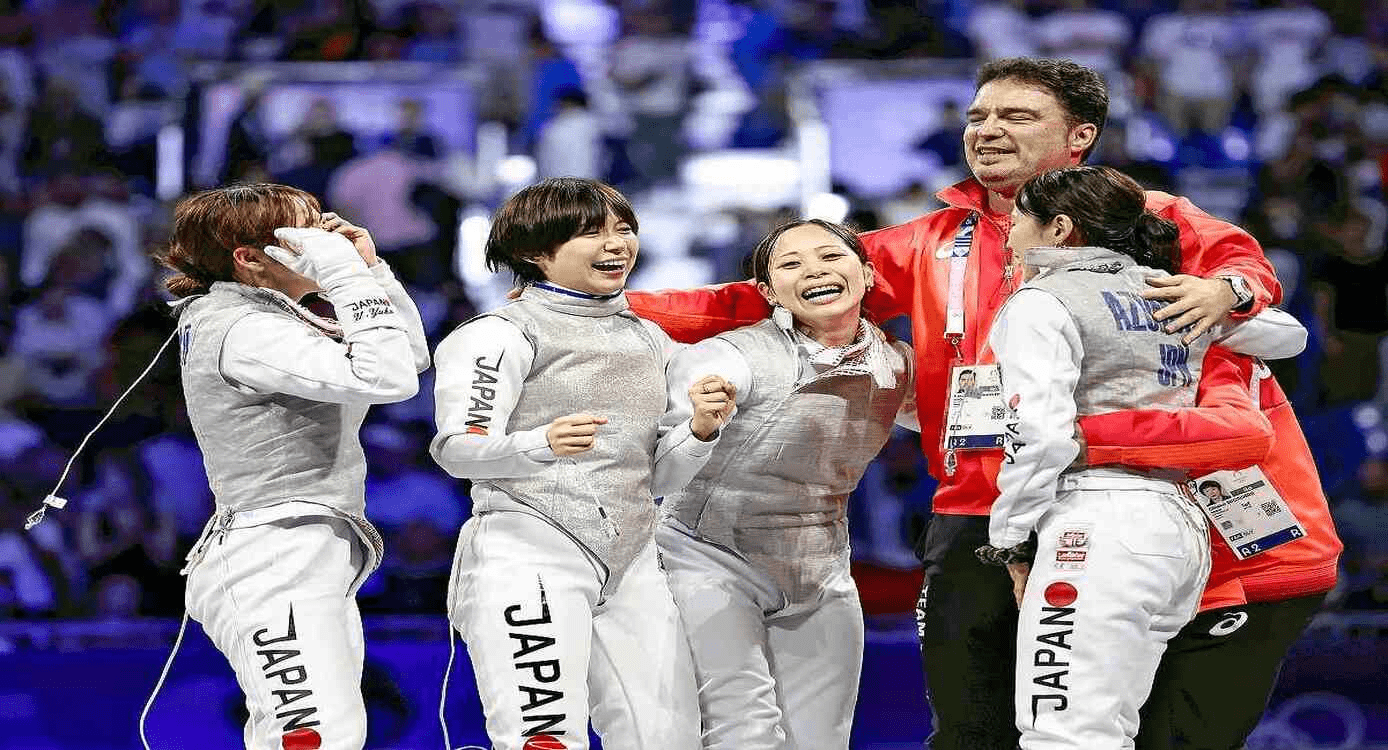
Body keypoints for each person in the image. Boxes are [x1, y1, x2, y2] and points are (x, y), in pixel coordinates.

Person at [624, 57, 1298, 750]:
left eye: (1017, 116)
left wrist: (1230, 291)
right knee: (971, 731)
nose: (988, 130)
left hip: (1113, 500)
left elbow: (1248, 274)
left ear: (1080, 137)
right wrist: (610, 304)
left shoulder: (1140, 217)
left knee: (1103, 729)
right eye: (978, 117)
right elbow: (754, 298)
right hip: (976, 509)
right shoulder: (932, 239)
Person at [979, 165, 1260, 748]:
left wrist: (1009, 540)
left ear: (1059, 229)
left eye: (1018, 219)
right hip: (1179, 529)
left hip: (1094, 525)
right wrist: (1231, 292)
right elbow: (1286, 335)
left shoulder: (1043, 301)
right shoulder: (1172, 288)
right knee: (1115, 732)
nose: (1006, 232)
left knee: (1065, 736)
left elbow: (1038, 434)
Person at [430, 177, 708, 749]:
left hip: (633, 557)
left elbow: (661, 477)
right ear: (536, 251)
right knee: (544, 739)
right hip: (529, 549)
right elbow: (456, 449)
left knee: (667, 739)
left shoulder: (653, 340)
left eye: (623, 230)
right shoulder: (498, 334)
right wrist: (539, 443)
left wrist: (701, 432)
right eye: (591, 233)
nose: (616, 244)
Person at [159, 183, 430, 750]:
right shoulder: (242, 329)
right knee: (312, 737)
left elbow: (405, 358)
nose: (325, 239)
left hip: (300, 550)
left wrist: (372, 272)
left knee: (319, 735)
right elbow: (389, 379)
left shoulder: (268, 315)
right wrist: (342, 275)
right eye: (305, 233)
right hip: (270, 556)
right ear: (250, 258)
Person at [655, 218, 916, 749]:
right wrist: (700, 425)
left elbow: (956, 423)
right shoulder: (729, 356)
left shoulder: (897, 365)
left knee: (821, 740)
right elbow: (658, 469)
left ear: (866, 275)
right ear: (769, 292)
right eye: (791, 264)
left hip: (821, 566)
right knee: (742, 729)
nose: (814, 271)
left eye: (830, 257)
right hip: (706, 557)